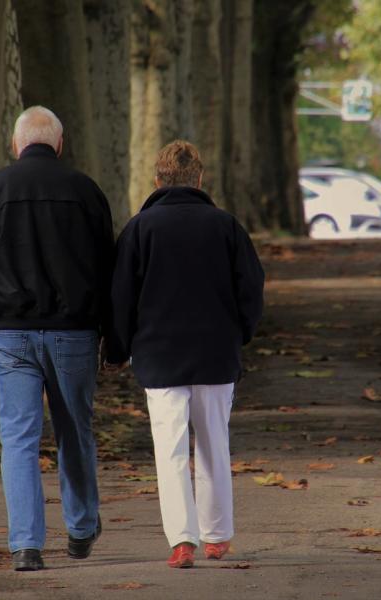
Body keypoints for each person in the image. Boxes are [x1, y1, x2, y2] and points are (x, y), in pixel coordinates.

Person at [0, 106, 114, 571]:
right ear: (59, 145)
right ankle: (81, 528)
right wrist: (113, 333)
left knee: (19, 438)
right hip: (74, 334)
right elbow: (109, 269)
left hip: (10, 332)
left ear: (15, 144)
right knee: (74, 431)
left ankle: (26, 544)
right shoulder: (86, 191)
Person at [106, 140, 264, 568]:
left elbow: (121, 297)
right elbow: (250, 289)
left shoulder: (140, 229)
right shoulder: (226, 226)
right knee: (215, 443)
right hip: (216, 353)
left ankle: (182, 539)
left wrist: (117, 349)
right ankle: (217, 535)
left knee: (170, 450)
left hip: (159, 356)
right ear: (200, 179)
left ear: (157, 181)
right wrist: (241, 334)